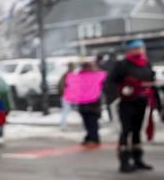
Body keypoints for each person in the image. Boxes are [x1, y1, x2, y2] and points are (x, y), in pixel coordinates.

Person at [108, 40, 160, 172]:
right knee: (126, 131)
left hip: (141, 102)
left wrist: (156, 101)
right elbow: (112, 82)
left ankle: (138, 159)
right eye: (136, 48)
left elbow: (151, 81)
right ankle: (124, 161)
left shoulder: (146, 63)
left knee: (137, 131)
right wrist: (122, 92)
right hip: (126, 103)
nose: (139, 51)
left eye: (141, 48)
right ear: (129, 50)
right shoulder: (122, 64)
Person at [67, 61, 106, 146]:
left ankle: (93, 138)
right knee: (91, 122)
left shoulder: (85, 76)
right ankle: (91, 137)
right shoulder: (90, 75)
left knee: (90, 122)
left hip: (88, 104)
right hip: (90, 104)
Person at [58, 62, 76, 130]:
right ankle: (63, 126)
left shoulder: (66, 75)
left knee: (66, 110)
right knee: (66, 110)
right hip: (67, 95)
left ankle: (63, 125)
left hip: (66, 95)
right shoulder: (68, 75)